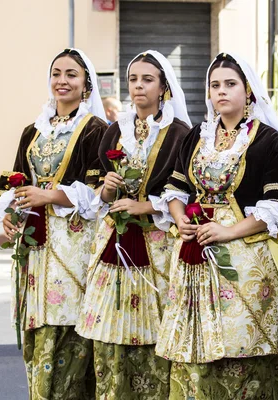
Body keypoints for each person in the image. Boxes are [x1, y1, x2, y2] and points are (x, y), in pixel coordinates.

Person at [155, 52, 278, 399]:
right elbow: (175, 189)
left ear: (248, 90)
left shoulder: (270, 141)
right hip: (196, 253)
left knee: (239, 347)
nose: (221, 92)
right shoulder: (196, 136)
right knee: (194, 348)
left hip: (246, 257)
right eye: (214, 85)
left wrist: (228, 231)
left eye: (230, 84)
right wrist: (180, 219)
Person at [75, 50, 192, 398]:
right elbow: (101, 195)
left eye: (147, 80)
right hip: (114, 240)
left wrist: (144, 205)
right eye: (133, 80)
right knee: (109, 330)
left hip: (157, 242)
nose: (138, 87)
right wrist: (107, 191)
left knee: (155, 329)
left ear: (163, 87)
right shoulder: (115, 131)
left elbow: (184, 190)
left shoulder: (180, 134)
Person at [0, 48, 108, 399]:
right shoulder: (33, 130)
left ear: (86, 83)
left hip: (73, 244)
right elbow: (14, 180)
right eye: (57, 73)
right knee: (37, 326)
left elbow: (98, 190)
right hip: (36, 246)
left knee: (68, 324)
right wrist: (12, 215)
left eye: (71, 74)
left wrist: (49, 196)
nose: (62, 81)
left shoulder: (95, 130)